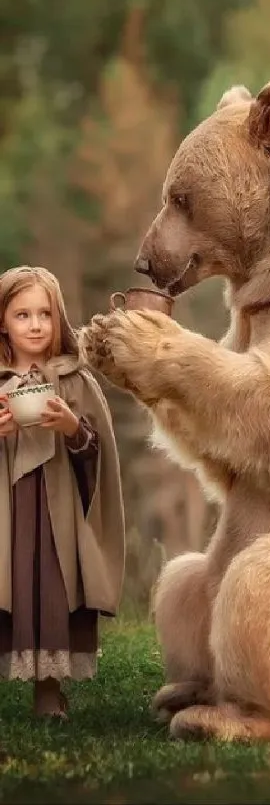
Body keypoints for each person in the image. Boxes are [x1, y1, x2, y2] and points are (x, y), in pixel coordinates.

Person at [0, 266, 125, 719]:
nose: (35, 325)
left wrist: (72, 427)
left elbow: (98, 455)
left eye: (45, 314)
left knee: (48, 592)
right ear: (2, 322)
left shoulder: (74, 380)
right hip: (6, 512)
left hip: (55, 513)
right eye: (22, 315)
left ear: (59, 320)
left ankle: (47, 693)